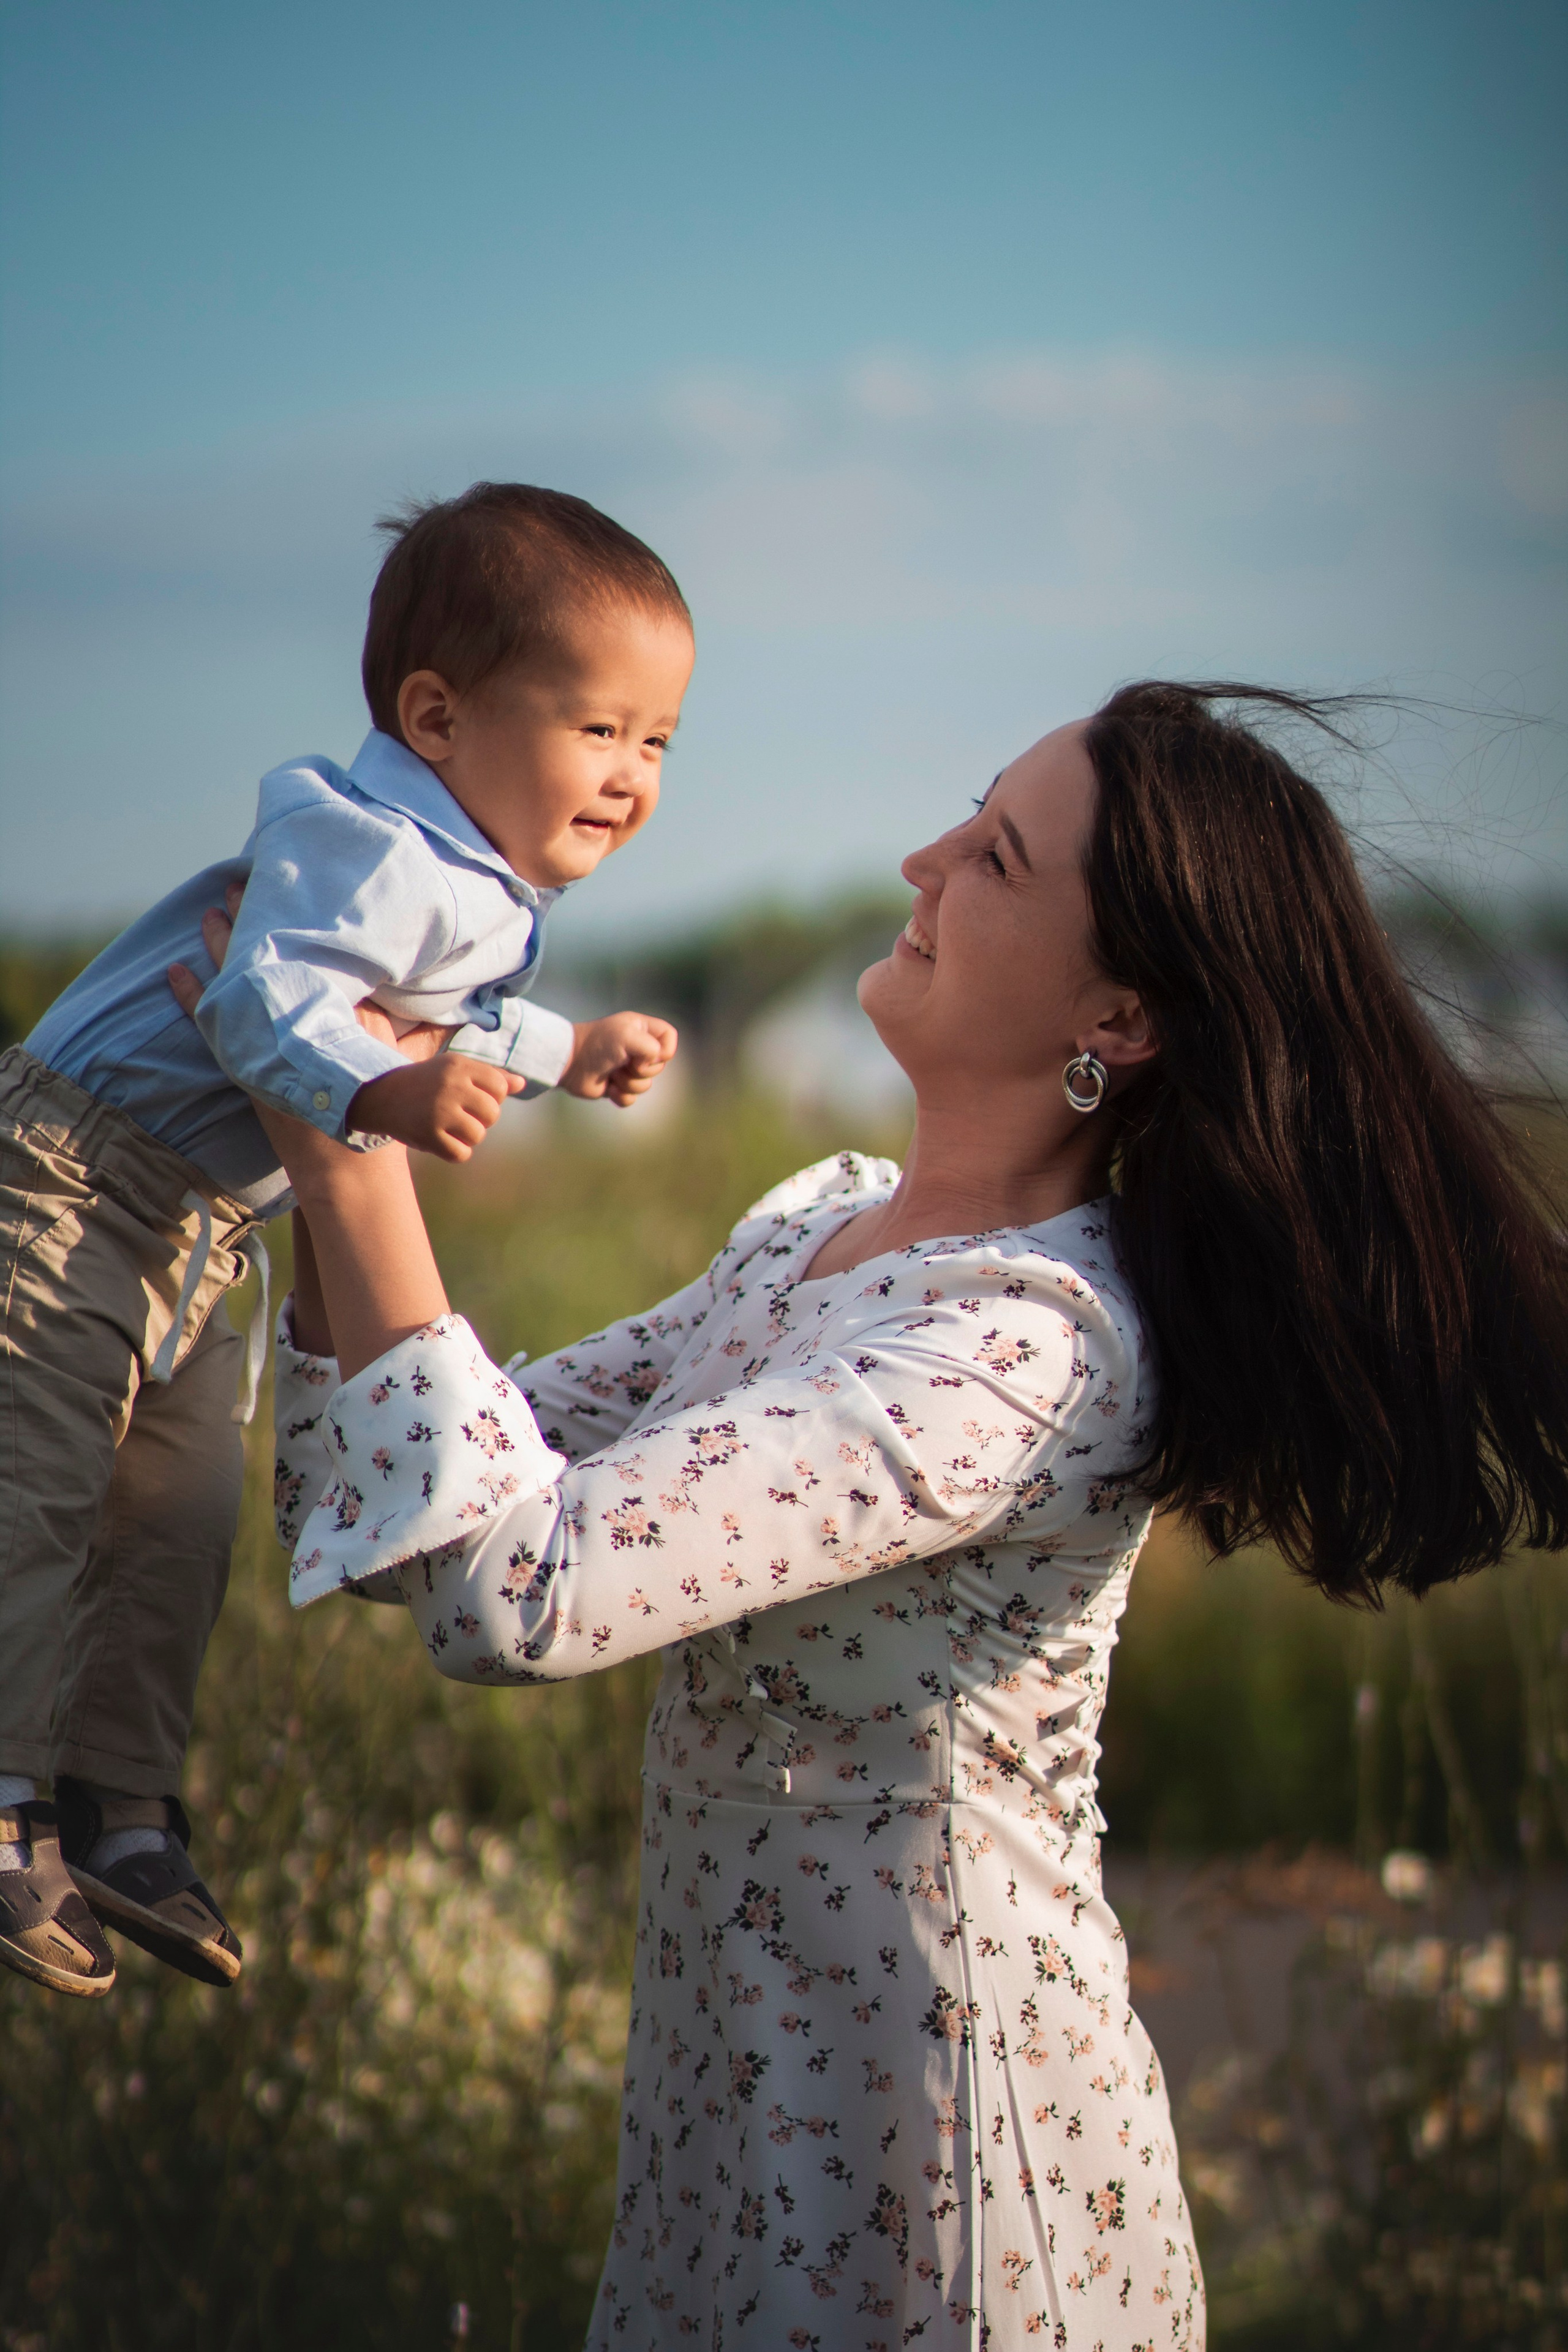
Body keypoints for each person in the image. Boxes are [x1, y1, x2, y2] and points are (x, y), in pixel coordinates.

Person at [206, 685, 1568, 2346]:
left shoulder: (1025, 1349)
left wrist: (346, 1144)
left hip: (946, 2189)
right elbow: (403, 1504)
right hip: (726, 2140)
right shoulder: (816, 1236)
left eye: (995, 856)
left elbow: (522, 1589)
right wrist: (340, 1098)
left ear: (1118, 1018)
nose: (922, 861)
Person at [0, 483, 694, 2000]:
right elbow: (258, 1003)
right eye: (600, 730)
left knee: (175, 1528)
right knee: (36, 1492)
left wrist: (568, 1053)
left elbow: (441, 1008)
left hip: (198, 1222)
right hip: (68, 1179)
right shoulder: (360, 837)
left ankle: (121, 1808)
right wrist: (386, 1088)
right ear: (436, 717)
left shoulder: (465, 884)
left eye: (659, 741)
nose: (635, 775)